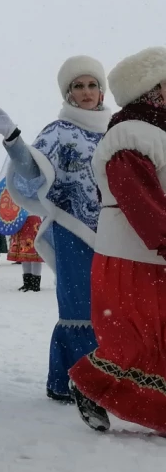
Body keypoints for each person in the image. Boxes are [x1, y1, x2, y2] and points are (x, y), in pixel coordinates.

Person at [0, 56, 111, 402]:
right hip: (72, 229)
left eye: (92, 84)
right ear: (68, 92)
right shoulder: (59, 131)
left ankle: (106, 380)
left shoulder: (115, 128)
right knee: (80, 307)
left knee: (112, 307)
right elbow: (33, 170)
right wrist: (12, 137)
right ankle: (70, 381)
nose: (87, 92)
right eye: (78, 86)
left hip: (113, 232)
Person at [68, 46, 166, 435]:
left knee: (159, 336)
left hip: (152, 251)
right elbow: (139, 199)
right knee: (135, 338)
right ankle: (89, 385)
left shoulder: (156, 131)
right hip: (133, 252)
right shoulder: (129, 135)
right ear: (151, 89)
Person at [9, 216, 43, 291]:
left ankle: (35, 284)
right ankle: (27, 283)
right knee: (24, 254)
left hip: (33, 223)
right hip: (22, 222)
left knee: (35, 255)